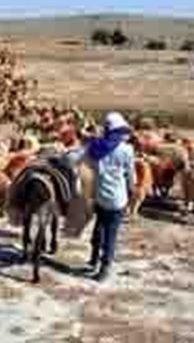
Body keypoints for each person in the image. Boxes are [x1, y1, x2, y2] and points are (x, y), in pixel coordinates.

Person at [84, 112, 136, 282]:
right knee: (111, 234)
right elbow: (130, 174)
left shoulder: (95, 148)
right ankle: (105, 268)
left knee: (99, 227)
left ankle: (93, 259)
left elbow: (89, 169)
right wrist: (131, 190)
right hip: (117, 198)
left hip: (99, 195)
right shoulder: (126, 149)